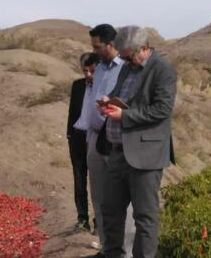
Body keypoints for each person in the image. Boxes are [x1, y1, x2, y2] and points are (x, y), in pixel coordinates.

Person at [98, 26, 177, 258]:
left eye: (128, 56)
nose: (124, 60)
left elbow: (162, 110)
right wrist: (109, 101)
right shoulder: (127, 67)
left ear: (144, 48)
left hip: (145, 155)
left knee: (144, 217)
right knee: (110, 210)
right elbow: (123, 96)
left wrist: (124, 116)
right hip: (117, 152)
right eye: (122, 56)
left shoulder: (163, 71)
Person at [83, 24, 124, 258]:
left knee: (119, 198)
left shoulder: (125, 68)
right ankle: (107, 247)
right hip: (95, 137)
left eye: (97, 46)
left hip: (115, 138)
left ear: (111, 44)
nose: (94, 51)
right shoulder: (99, 69)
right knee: (98, 195)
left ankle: (123, 250)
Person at [67, 52, 99, 231]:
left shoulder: (104, 87)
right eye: (85, 70)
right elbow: (72, 113)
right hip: (77, 136)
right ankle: (82, 218)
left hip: (95, 138)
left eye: (92, 71)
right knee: (79, 179)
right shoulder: (77, 86)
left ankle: (99, 221)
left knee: (97, 181)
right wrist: (69, 135)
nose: (88, 74)